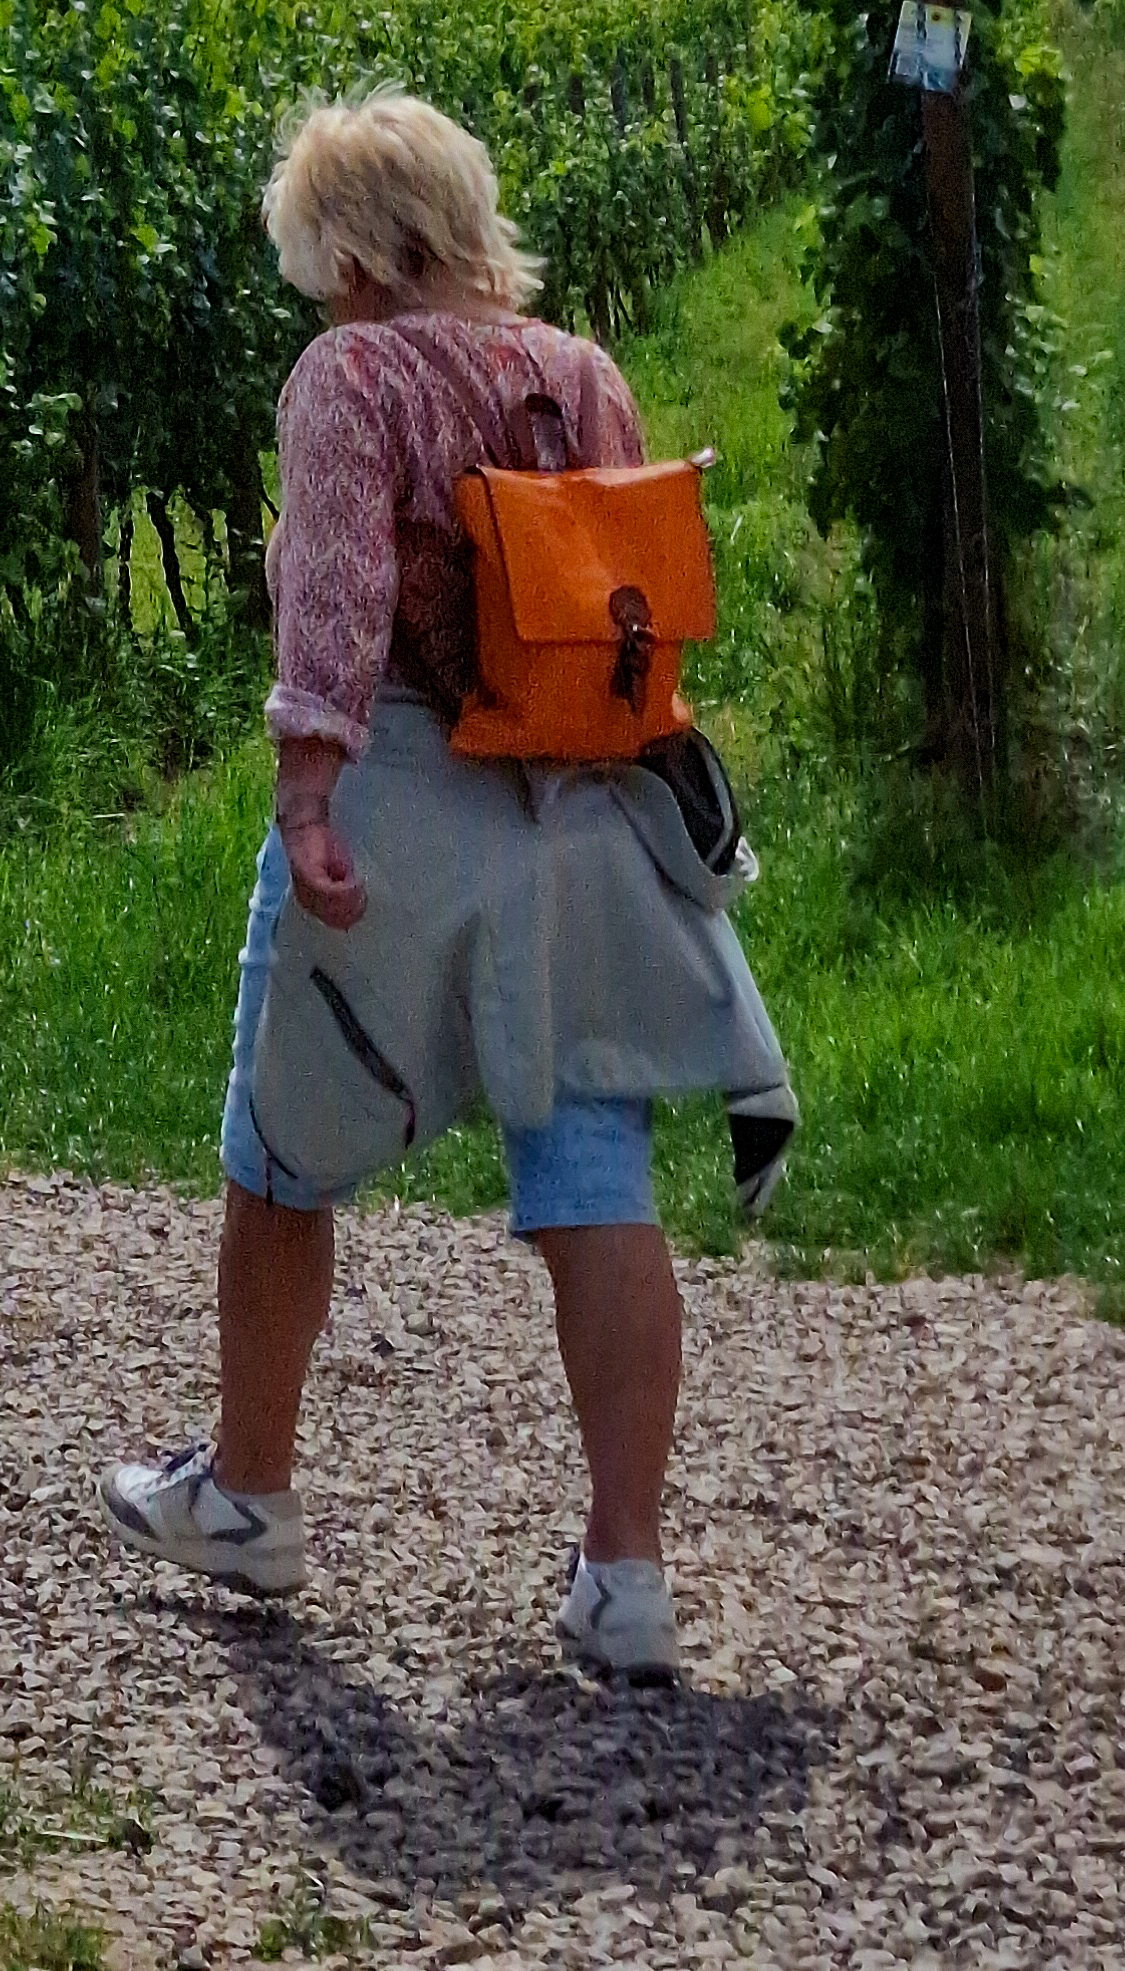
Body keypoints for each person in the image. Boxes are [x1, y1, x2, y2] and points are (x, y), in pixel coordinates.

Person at [102, 91, 785, 1690]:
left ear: (343, 251)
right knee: (594, 1163)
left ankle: (250, 1495)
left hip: (407, 782)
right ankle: (626, 1578)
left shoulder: (350, 374)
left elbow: (334, 594)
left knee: (285, 1141)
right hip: (584, 804)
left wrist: (307, 788)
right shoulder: (581, 373)